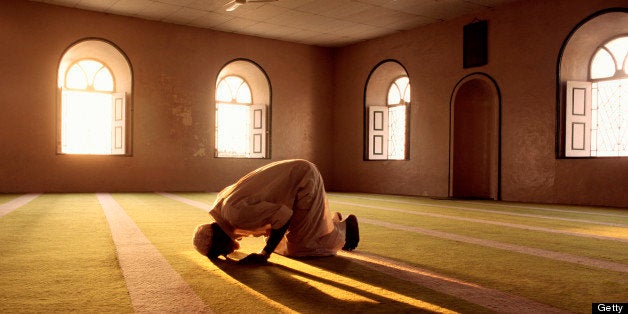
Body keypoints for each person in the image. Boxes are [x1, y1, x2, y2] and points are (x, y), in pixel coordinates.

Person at [193, 159, 359, 265]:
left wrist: (264, 253)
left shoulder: (236, 215)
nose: (226, 253)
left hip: (304, 181)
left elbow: (283, 216)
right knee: (280, 240)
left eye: (220, 252)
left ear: (219, 242)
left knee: (303, 247)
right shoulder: (223, 210)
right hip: (296, 182)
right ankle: (325, 223)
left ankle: (344, 229)